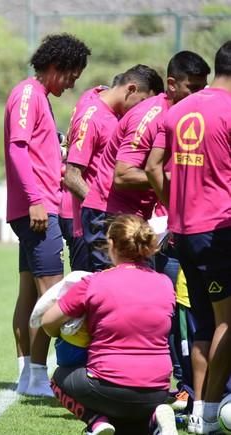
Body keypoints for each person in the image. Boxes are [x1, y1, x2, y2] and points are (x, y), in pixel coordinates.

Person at [3, 33, 91, 397]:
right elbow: (17, 149)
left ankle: (27, 374)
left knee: (28, 292)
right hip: (38, 211)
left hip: (36, 208)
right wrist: (37, 199)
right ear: (56, 66)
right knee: (50, 295)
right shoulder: (28, 93)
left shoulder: (39, 97)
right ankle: (39, 376)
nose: (73, 84)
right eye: (71, 75)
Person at [42, 214, 177, 435]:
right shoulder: (165, 283)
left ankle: (95, 421)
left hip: (106, 386)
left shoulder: (93, 283)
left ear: (112, 244)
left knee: (58, 378)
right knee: (129, 427)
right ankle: (155, 416)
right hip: (158, 390)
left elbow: (48, 322)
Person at [163, 40, 231, 434]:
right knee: (227, 322)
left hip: (185, 231)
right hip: (218, 231)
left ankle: (200, 413)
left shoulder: (180, 110)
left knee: (203, 325)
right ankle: (208, 415)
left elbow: (163, 168)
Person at [64, 65, 164, 271]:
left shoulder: (116, 114)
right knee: (97, 291)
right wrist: (100, 206)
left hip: (110, 218)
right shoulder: (92, 116)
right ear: (131, 89)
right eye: (144, 102)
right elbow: (72, 176)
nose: (145, 111)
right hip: (94, 221)